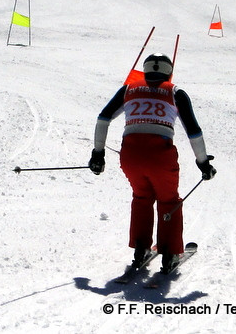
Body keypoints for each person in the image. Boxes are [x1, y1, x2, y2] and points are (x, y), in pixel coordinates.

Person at [88, 53, 216, 274]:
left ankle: (141, 249)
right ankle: (170, 253)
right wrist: (203, 163)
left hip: (130, 155)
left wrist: (98, 153)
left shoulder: (128, 89)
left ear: (146, 69)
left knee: (142, 197)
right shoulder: (175, 92)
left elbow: (103, 118)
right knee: (168, 200)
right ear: (169, 71)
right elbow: (193, 131)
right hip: (160, 155)